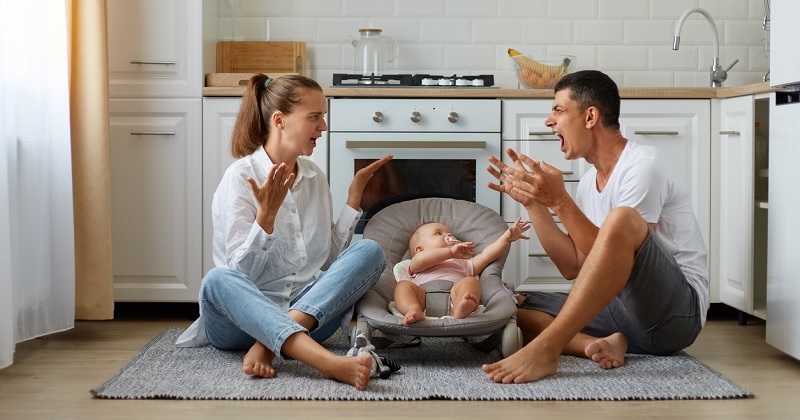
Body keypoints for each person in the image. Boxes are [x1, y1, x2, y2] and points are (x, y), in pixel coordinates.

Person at [482, 70, 708, 383]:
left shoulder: (644, 166)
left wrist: (561, 201)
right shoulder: (589, 182)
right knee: (509, 307)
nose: (549, 121)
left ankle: (548, 348)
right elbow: (574, 265)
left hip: (674, 317)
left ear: (590, 117)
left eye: (558, 110)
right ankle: (599, 345)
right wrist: (535, 204)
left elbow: (627, 269)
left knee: (622, 218)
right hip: (623, 315)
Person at [175, 74, 393, 391]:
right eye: (314, 117)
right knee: (217, 281)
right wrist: (265, 218)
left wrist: (354, 199)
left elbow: (328, 262)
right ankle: (328, 363)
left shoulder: (314, 177)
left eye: (324, 117)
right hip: (238, 324)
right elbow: (239, 275)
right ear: (280, 120)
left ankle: (267, 345)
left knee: (369, 251)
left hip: (307, 316)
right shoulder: (240, 178)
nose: (323, 127)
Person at [393, 218, 530, 324]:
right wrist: (450, 252)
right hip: (423, 297)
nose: (448, 236)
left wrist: (506, 239)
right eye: (438, 233)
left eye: (449, 234)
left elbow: (487, 255)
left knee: (470, 281)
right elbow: (421, 260)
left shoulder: (464, 263)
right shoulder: (417, 262)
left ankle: (459, 308)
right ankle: (413, 309)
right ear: (420, 249)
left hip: (455, 295)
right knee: (403, 286)